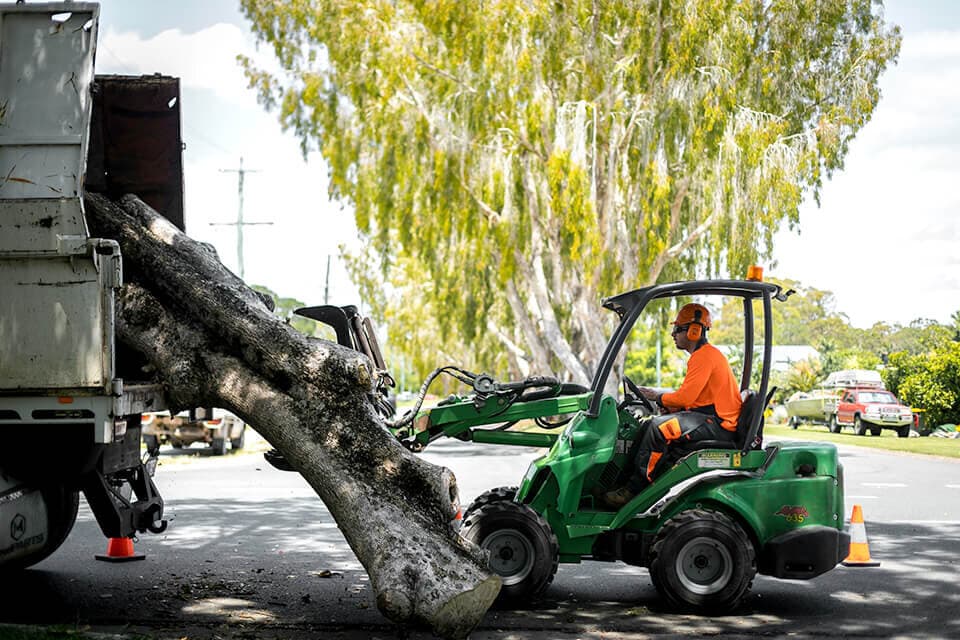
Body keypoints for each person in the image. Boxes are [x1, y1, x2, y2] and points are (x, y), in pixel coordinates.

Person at [602, 303, 743, 508]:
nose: (672, 334)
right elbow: (696, 398)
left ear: (694, 330)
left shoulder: (705, 356)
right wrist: (669, 404)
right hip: (710, 417)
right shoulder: (704, 356)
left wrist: (657, 397)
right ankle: (621, 483)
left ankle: (634, 490)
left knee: (658, 428)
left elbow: (685, 398)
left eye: (677, 329)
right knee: (645, 426)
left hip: (719, 425)